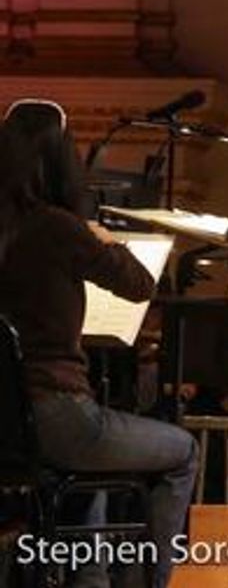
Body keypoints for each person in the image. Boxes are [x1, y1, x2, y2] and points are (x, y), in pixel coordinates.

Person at [0, 100, 198, 588]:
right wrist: (102, 236)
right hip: (58, 414)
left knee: (93, 469)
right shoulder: (59, 228)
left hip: (7, 425)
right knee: (183, 452)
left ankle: (91, 580)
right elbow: (138, 284)